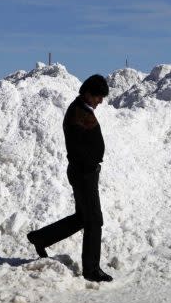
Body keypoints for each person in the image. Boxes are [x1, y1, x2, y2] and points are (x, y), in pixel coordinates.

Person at [27, 74, 113, 282]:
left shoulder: (83, 110)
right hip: (83, 172)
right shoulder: (77, 113)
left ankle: (41, 237)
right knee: (94, 220)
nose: (100, 101)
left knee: (84, 217)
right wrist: (91, 164)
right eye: (98, 96)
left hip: (85, 171)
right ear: (87, 93)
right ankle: (91, 270)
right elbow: (76, 148)